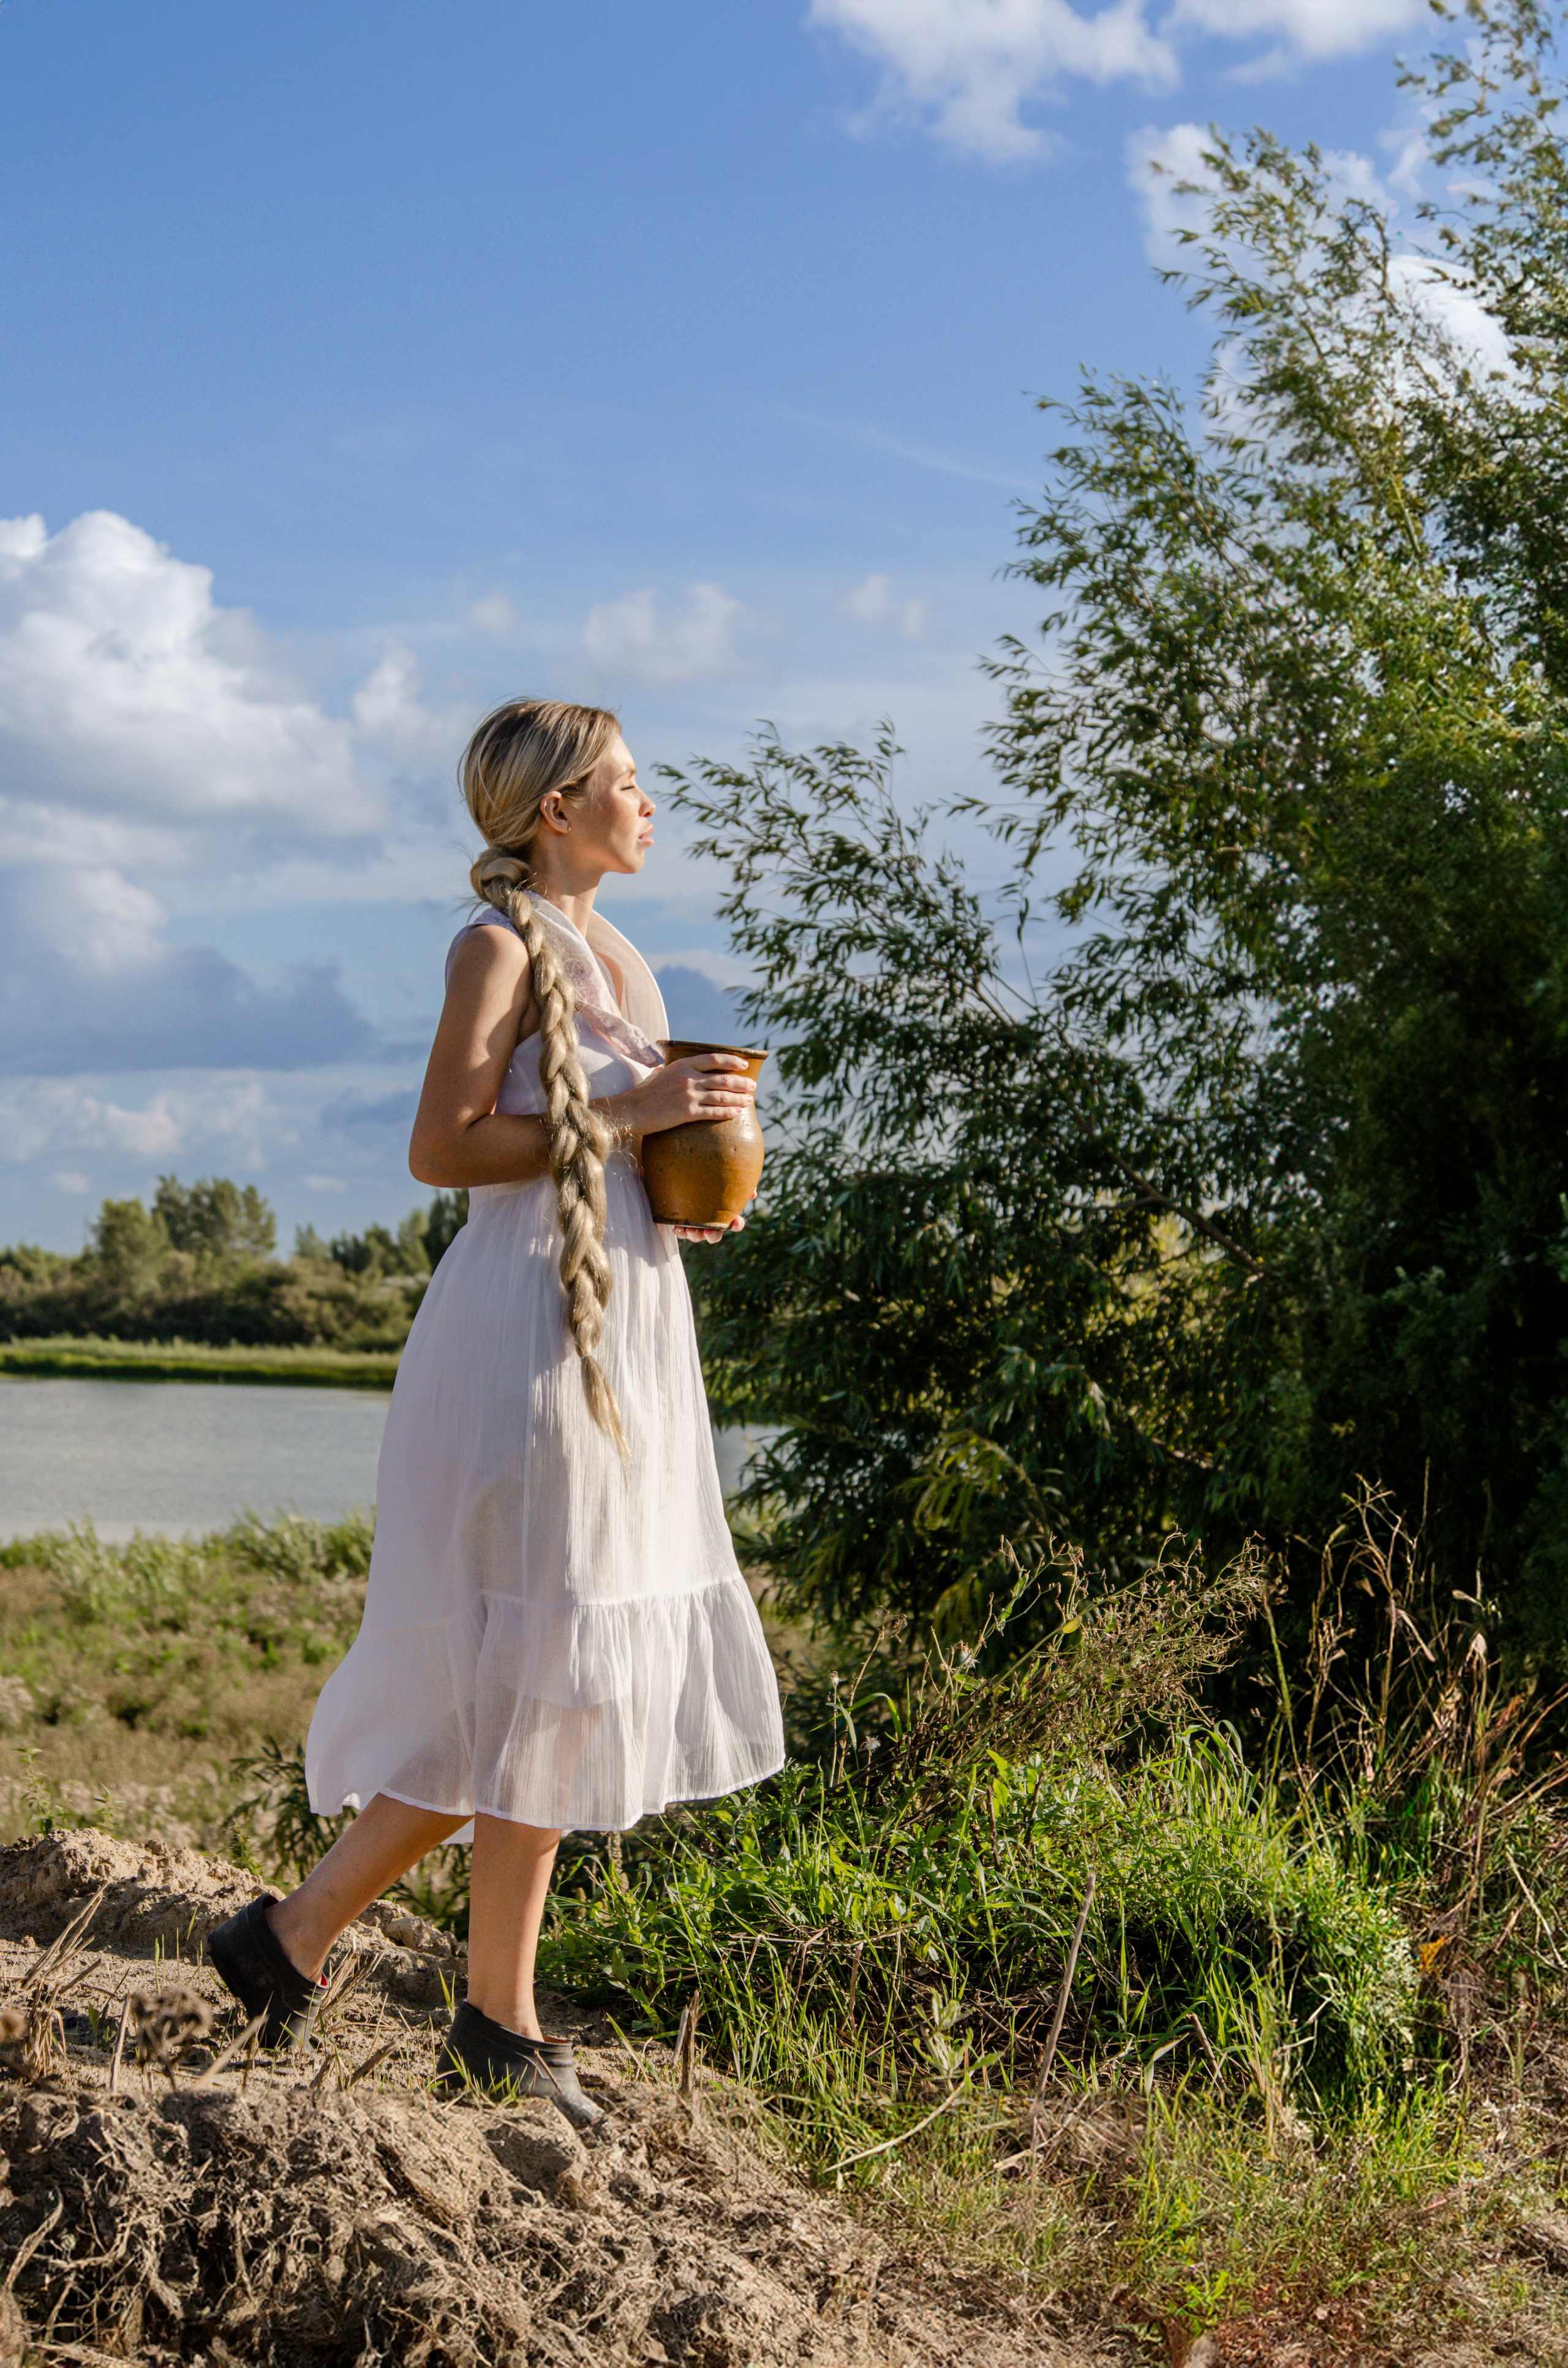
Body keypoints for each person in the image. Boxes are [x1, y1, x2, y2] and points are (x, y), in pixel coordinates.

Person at [207, 698, 785, 2125]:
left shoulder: (624, 961)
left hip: (619, 1317)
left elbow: (619, 1131)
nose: (652, 805)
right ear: (555, 810)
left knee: (546, 1682)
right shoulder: (496, 947)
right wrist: (636, 1115)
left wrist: (683, 1178)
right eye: (630, 785)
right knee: (544, 1670)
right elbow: (442, 1148)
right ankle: (492, 2019)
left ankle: (289, 1944)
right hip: (524, 1341)